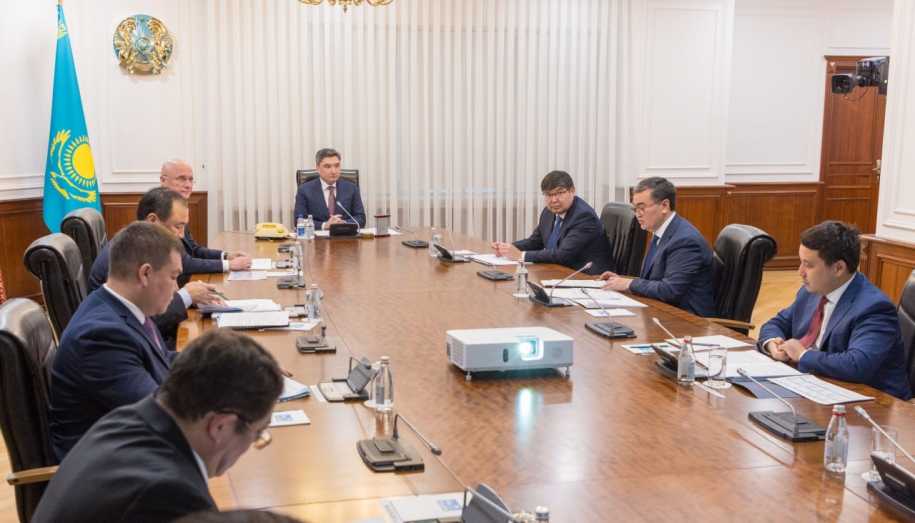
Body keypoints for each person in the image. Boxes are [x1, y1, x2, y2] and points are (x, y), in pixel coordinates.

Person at [33, 328, 283, 523]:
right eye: (258, 433)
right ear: (220, 427)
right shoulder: (171, 496)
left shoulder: (129, 417)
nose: (253, 443)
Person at [49, 222, 186, 459]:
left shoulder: (121, 306)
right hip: (107, 469)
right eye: (173, 277)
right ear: (145, 274)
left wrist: (219, 366)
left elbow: (162, 359)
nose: (176, 288)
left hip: (131, 449)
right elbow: (162, 417)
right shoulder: (100, 337)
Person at [758, 221, 912, 400]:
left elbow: (857, 365)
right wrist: (773, 344)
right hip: (817, 387)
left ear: (838, 268)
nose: (800, 271)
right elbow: (776, 323)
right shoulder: (811, 292)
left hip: (874, 403)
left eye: (808, 265)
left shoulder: (874, 308)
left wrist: (803, 355)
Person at [89, 187, 223, 350]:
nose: (182, 235)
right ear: (152, 221)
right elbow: (147, 322)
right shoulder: (128, 257)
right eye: (178, 226)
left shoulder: (145, 248)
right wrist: (186, 296)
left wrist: (193, 298)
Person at [599, 176, 715, 316]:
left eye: (642, 208)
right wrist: (620, 281)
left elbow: (670, 291)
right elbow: (654, 281)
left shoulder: (685, 241)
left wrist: (629, 284)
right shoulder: (661, 231)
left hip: (687, 319)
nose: (637, 214)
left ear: (664, 206)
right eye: (635, 209)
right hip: (662, 310)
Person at [490, 170, 610, 275]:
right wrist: (507, 248)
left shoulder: (584, 216)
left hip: (587, 278)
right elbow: (535, 242)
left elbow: (563, 255)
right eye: (548, 194)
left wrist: (521, 256)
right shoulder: (549, 212)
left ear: (572, 191)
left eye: (559, 193)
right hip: (559, 272)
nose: (554, 200)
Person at [161, 159, 251, 271]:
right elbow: (181, 263)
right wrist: (229, 265)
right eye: (181, 179)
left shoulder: (178, 207)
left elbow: (194, 250)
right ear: (163, 180)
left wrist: (226, 256)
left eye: (190, 179)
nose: (188, 185)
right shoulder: (159, 210)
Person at [293, 148, 366, 229]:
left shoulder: (351, 188)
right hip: (317, 236)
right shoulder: (304, 190)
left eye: (337, 166)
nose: (333, 171)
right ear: (317, 168)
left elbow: (361, 218)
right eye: (327, 166)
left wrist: (344, 223)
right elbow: (298, 220)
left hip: (345, 235)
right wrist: (324, 225)